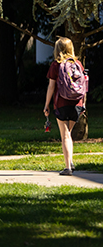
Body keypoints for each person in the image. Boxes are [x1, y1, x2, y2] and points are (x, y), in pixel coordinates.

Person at [44, 37, 87, 176]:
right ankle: (71, 161)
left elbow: (51, 87)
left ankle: (68, 167)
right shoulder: (78, 64)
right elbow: (84, 84)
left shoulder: (56, 65)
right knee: (68, 133)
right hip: (77, 104)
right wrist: (84, 103)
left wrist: (46, 105)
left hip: (61, 103)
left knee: (65, 135)